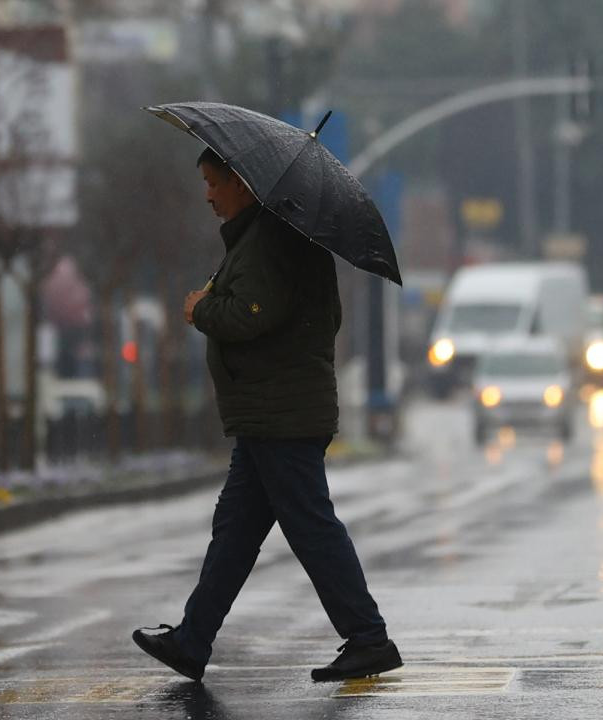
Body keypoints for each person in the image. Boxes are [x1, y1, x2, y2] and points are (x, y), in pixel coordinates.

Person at [132, 147, 401, 683]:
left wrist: (200, 308)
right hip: (272, 414)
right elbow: (319, 314)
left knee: (310, 526)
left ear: (243, 182)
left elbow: (252, 316)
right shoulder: (273, 237)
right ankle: (192, 640)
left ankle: (369, 638)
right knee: (234, 530)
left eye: (214, 183)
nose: (207, 194)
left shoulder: (271, 239)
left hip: (282, 415)